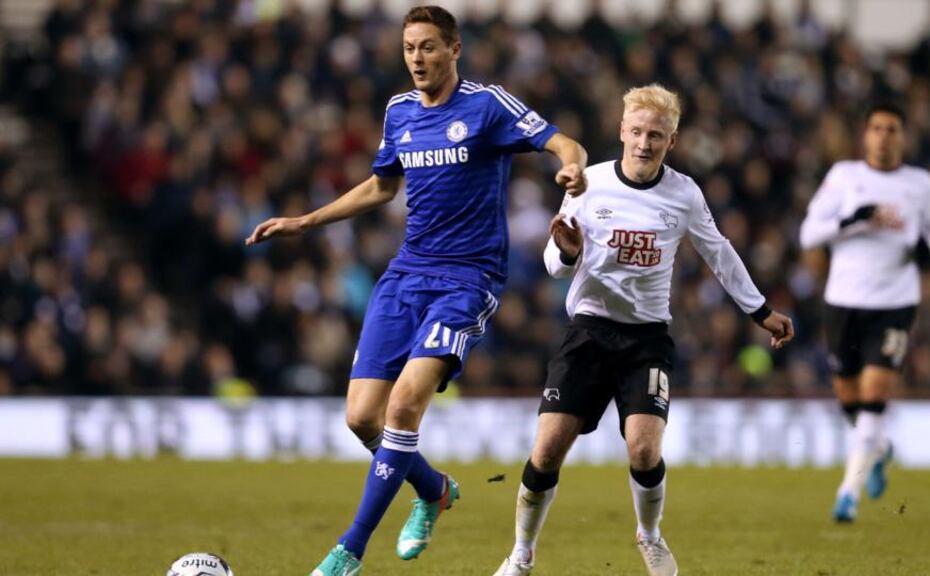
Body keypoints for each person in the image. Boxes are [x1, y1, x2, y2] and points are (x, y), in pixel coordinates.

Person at [246, 6, 588, 574]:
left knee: (404, 406)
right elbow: (382, 186)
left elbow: (565, 143)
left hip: (467, 280)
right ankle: (433, 489)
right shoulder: (398, 111)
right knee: (362, 418)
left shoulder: (486, 104)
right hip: (406, 275)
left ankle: (348, 550)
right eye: (409, 48)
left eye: (428, 47)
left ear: (454, 49)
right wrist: (306, 221)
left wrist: (572, 171)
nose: (417, 59)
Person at [492, 84, 794, 576]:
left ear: (671, 141)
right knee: (545, 452)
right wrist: (567, 251)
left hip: (646, 338)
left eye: (655, 135)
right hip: (588, 331)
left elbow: (719, 252)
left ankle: (649, 535)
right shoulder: (588, 183)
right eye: (636, 132)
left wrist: (759, 311)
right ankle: (521, 553)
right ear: (621, 131)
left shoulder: (684, 194)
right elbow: (553, 263)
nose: (644, 143)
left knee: (645, 448)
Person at [799, 102, 930, 523]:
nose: (883, 136)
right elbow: (809, 233)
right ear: (865, 135)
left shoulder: (920, 184)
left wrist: (920, 248)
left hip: (895, 303)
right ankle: (880, 449)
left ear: (903, 137)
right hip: (844, 301)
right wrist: (854, 219)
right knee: (850, 400)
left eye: (892, 129)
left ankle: (848, 493)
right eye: (876, 128)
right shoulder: (844, 177)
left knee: (875, 393)